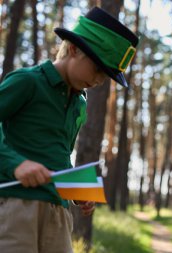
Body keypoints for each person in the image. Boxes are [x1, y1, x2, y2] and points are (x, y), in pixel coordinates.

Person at [0, 7, 139, 253]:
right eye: (98, 69)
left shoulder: (80, 104)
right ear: (74, 48)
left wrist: (77, 189)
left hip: (58, 212)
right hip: (16, 206)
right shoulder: (27, 82)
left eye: (106, 76)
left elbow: (60, 154)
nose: (99, 81)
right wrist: (16, 164)